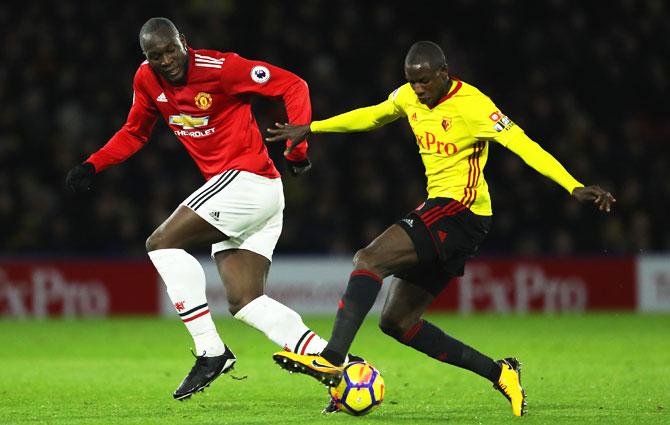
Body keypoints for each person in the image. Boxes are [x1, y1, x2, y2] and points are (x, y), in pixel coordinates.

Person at [265, 40, 616, 417]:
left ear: (444, 74)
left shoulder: (475, 105)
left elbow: (523, 145)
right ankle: (501, 373)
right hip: (445, 212)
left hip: (460, 211)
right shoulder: (407, 97)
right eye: (412, 82)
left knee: (369, 259)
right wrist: (312, 128)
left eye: (425, 81)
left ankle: (333, 357)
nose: (418, 89)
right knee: (397, 322)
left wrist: (573, 185)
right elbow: (372, 115)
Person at [65, 17, 334, 401]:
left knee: (160, 243)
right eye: (155, 56)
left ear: (184, 42)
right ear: (146, 57)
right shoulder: (146, 79)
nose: (166, 60)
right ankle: (336, 362)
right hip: (253, 193)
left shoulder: (222, 69)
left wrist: (299, 145)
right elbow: (135, 131)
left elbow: (293, 84)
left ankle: (211, 350)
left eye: (170, 50)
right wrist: (94, 164)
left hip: (248, 180)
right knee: (246, 301)